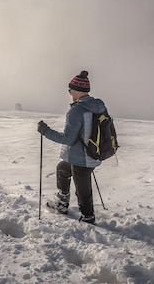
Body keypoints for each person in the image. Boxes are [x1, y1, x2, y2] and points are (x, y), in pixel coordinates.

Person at [37, 70, 108, 224]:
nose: (70, 93)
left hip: (82, 158)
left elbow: (68, 139)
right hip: (94, 153)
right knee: (62, 168)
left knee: (82, 189)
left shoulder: (76, 111)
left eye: (70, 90)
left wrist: (45, 131)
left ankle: (88, 217)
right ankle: (62, 204)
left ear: (76, 90)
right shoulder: (98, 106)